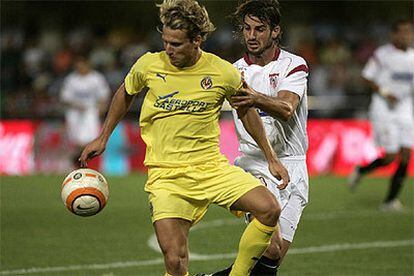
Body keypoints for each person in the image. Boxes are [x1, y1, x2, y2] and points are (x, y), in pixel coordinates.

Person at [79, 1, 290, 275]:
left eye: (176, 44)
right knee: (175, 262)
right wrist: (103, 136)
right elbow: (125, 92)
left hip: (211, 168)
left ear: (197, 40)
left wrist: (271, 159)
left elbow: (246, 111)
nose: (169, 49)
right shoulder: (148, 65)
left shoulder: (222, 72)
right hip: (166, 177)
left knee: (269, 209)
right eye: (166, 41)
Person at [204, 1, 310, 275]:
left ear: (275, 31)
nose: (251, 36)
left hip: (294, 166)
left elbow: (287, 108)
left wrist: (255, 97)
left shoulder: (294, 65)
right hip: (254, 164)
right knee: (270, 248)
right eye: (247, 29)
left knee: (269, 262)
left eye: (259, 29)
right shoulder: (234, 71)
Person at [348, 20, 414, 212]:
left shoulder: (412, 56)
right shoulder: (382, 55)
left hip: (405, 109)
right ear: (393, 35)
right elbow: (366, 77)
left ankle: (390, 201)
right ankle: (361, 170)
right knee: (390, 157)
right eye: (402, 33)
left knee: (406, 156)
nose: (406, 36)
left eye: (409, 32)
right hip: (383, 109)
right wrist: (386, 93)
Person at [60, 56, 110, 168]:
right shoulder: (71, 79)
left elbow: (103, 96)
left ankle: (80, 161)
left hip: (90, 112)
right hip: (75, 113)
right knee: (77, 141)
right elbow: (65, 98)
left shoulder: (96, 78)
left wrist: (100, 111)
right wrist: (76, 105)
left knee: (90, 139)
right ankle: (80, 162)